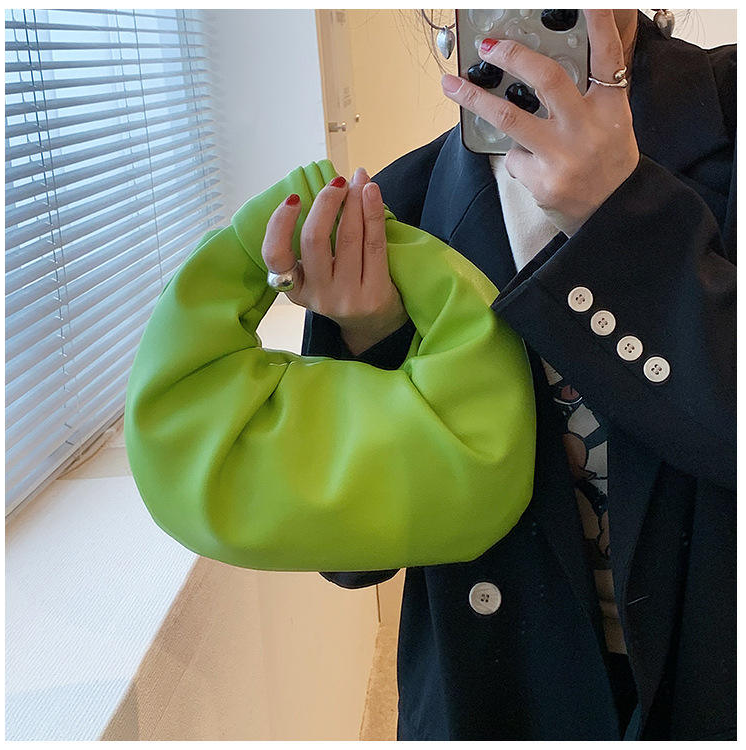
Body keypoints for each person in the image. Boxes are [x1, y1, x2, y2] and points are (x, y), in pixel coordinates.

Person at [261, 10, 735, 740]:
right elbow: (353, 559)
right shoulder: (401, 209)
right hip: (498, 694)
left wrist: (625, 220)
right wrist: (375, 345)